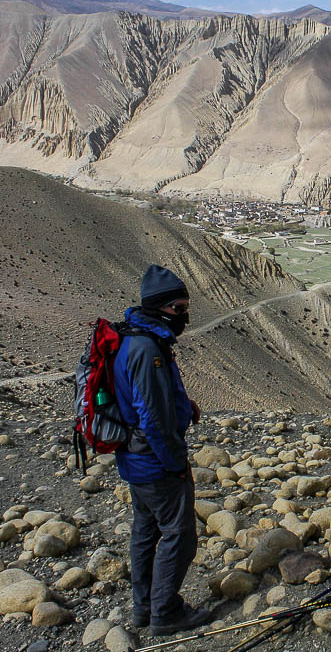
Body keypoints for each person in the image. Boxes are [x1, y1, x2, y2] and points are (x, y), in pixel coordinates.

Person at [112, 265, 212, 636]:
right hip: (154, 461)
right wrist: (173, 463)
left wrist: (185, 404)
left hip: (135, 459)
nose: (184, 316)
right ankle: (165, 612)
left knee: (145, 530)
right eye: (180, 308)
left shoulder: (137, 339)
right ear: (162, 307)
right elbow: (152, 416)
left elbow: (152, 400)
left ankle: (143, 608)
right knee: (179, 535)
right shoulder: (147, 349)